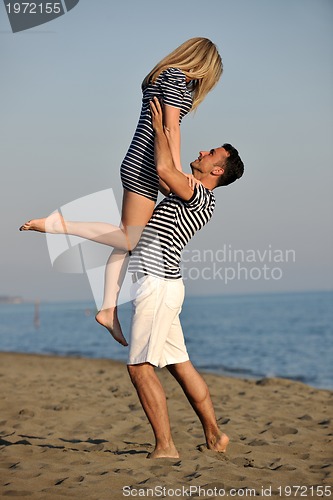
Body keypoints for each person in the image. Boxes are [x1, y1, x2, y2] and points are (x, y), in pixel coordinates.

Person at [20, 38, 223, 347]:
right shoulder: (175, 78)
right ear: (203, 65)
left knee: (127, 238)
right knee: (129, 238)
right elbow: (170, 129)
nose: (203, 84)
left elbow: (166, 128)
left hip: (142, 161)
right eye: (208, 76)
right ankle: (59, 225)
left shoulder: (161, 75)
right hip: (145, 164)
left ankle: (108, 310)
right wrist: (177, 170)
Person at [125, 97, 244, 458]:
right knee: (180, 365)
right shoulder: (192, 194)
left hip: (158, 285)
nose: (203, 151)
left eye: (211, 153)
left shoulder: (198, 196)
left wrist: (163, 125)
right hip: (165, 285)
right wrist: (167, 130)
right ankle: (215, 435)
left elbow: (164, 167)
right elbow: (167, 171)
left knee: (140, 367)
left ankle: (166, 446)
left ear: (217, 170)